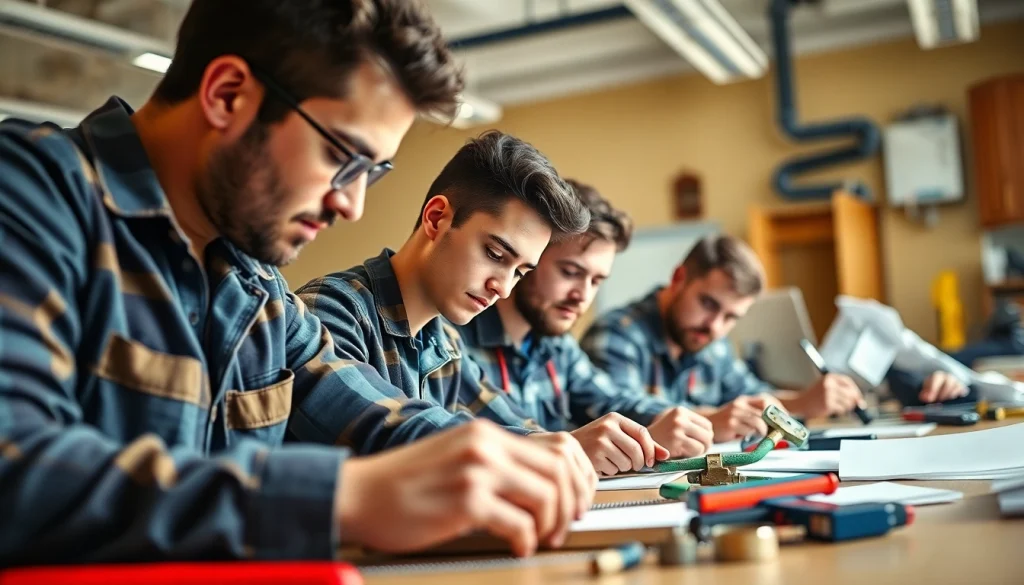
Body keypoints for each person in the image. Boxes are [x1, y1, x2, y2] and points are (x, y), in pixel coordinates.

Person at [0, 0, 583, 564]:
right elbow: (18, 466)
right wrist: (342, 498)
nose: (351, 204)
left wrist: (502, 458)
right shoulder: (29, 197)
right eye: (341, 157)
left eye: (371, 174)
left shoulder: (256, 287)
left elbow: (370, 412)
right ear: (228, 95)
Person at [296, 138, 663, 479]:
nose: (502, 288)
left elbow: (519, 427)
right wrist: (539, 450)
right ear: (437, 218)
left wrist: (568, 447)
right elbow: (385, 426)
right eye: (495, 255)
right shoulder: (328, 311)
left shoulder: (445, 344)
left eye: (520, 272)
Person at [582, 235, 968, 441]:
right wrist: (722, 420)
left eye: (731, 317)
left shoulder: (707, 341)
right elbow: (626, 421)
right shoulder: (616, 336)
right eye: (708, 304)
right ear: (679, 278)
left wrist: (804, 401)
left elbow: (751, 395)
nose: (716, 326)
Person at [458, 180, 714, 475]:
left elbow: (610, 399)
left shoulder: (557, 345)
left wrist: (669, 418)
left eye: (596, 281)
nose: (582, 296)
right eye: (570, 272)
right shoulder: (457, 339)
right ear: (529, 257)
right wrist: (574, 448)